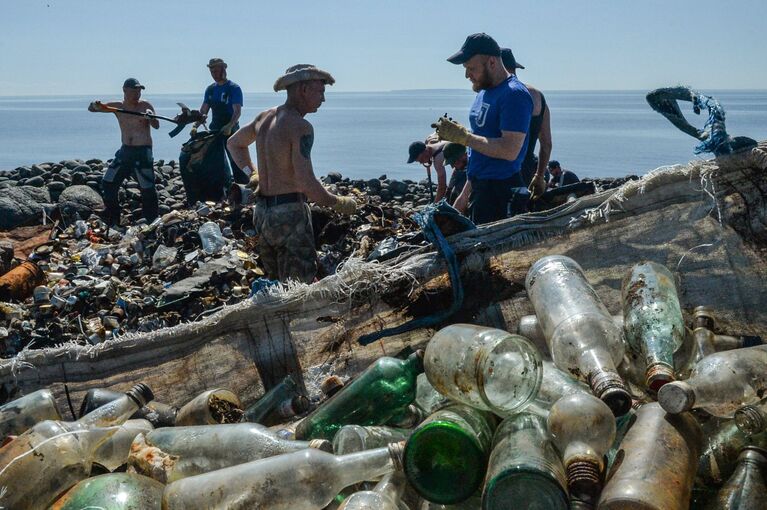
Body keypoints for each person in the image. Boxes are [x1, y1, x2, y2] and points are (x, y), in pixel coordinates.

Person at [227, 64, 357, 284]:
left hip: (262, 215)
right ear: (303, 89)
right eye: (320, 91)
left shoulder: (264, 117)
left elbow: (233, 143)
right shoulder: (300, 126)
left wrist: (253, 174)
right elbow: (307, 184)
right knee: (299, 287)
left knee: (275, 283)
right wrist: (340, 202)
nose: (323, 99)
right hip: (289, 215)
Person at [433, 33, 533, 225]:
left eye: (471, 68)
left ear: (492, 62)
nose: (467, 74)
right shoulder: (484, 91)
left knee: (495, 254)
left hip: (502, 192)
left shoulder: (514, 94)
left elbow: (510, 150)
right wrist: (464, 196)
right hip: (481, 188)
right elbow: (481, 146)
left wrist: (465, 138)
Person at [88, 78, 159, 226]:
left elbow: (156, 125)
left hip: (143, 151)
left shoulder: (145, 105)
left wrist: (150, 117)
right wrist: (96, 104)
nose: (138, 93)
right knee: (108, 183)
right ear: (125, 90)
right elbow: (93, 108)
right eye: (135, 90)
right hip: (125, 151)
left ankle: (152, 222)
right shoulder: (117, 106)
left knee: (147, 188)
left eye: (139, 90)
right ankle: (113, 217)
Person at [500, 48, 552, 201]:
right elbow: (547, 143)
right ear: (515, 67)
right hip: (530, 167)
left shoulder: (502, 95)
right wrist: (539, 175)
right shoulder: (538, 96)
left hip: (504, 172)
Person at [198, 58, 249, 186]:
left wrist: (230, 125)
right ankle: (221, 190)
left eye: (217, 71)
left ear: (224, 69)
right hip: (215, 129)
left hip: (230, 129)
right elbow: (204, 109)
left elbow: (237, 111)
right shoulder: (210, 89)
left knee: (236, 160)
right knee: (216, 161)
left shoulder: (233, 88)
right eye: (212, 71)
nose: (215, 74)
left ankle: (243, 186)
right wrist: (197, 121)